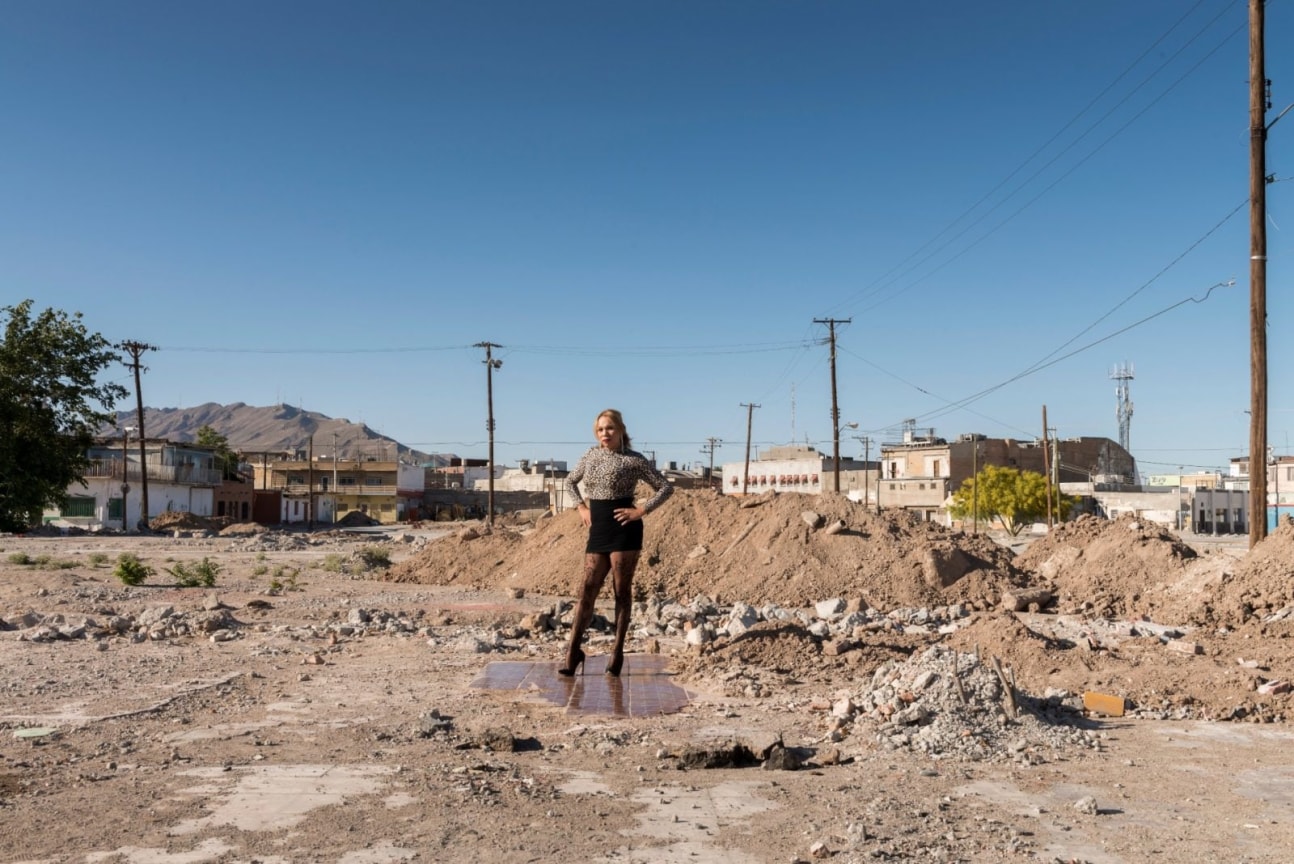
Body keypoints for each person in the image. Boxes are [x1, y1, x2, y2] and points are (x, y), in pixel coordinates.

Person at [559, 409, 673, 678]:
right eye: (600, 430)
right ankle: (573, 653)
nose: (604, 434)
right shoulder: (590, 455)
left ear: (621, 430)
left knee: (621, 591)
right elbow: (569, 481)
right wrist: (581, 508)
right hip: (598, 530)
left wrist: (641, 510)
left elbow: (666, 487)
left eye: (609, 428)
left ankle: (617, 653)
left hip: (625, 531)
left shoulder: (634, 460)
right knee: (587, 589)